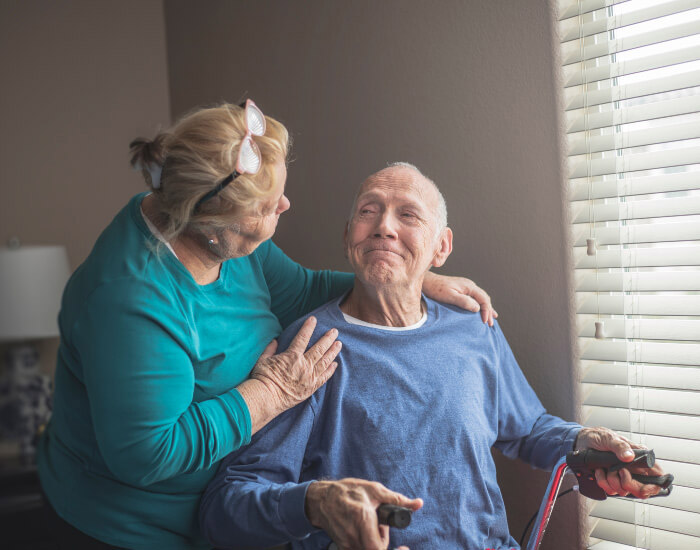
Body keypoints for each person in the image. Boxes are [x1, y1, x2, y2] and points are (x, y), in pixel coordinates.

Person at [36, 102, 496, 550]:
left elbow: (302, 288)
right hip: (127, 529)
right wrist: (269, 395)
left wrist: (413, 277)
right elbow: (150, 451)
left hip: (217, 515)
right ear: (212, 222)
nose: (284, 204)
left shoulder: (213, 231)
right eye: (267, 205)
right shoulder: (129, 299)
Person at [200, 163, 665, 550]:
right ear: (348, 236)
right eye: (369, 211)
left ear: (441, 247)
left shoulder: (473, 329)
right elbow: (227, 507)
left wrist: (586, 443)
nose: (384, 226)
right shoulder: (309, 350)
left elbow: (526, 428)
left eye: (408, 215)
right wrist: (315, 502)